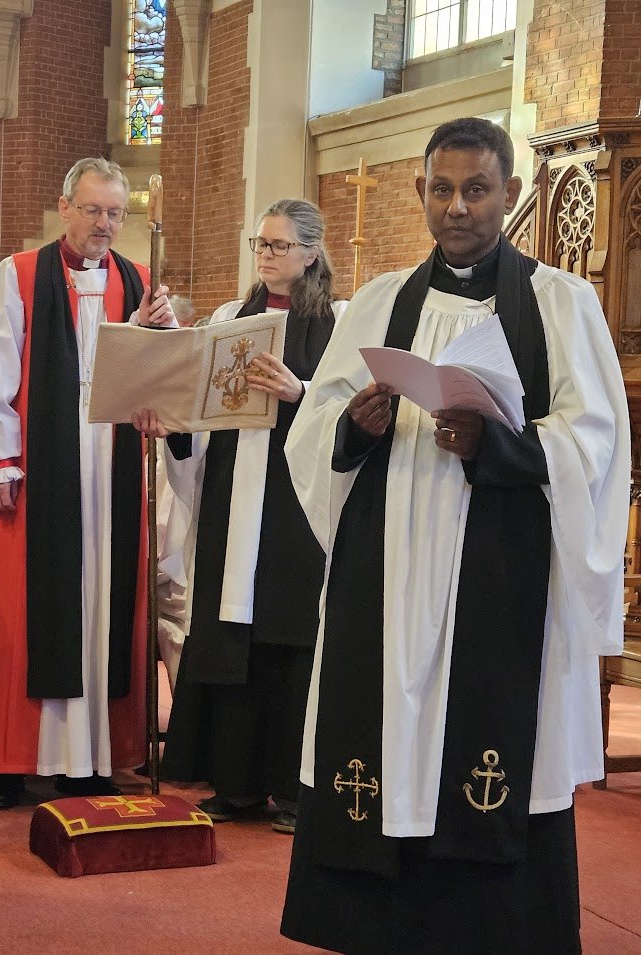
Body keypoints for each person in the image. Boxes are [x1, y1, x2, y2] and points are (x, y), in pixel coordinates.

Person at [280, 118, 630, 952]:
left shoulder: (560, 303)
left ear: (510, 193)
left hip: (500, 573)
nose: (458, 207)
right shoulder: (380, 302)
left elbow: (594, 441)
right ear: (422, 193)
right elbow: (312, 431)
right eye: (442, 189)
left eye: (476, 190)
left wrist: (496, 444)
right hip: (390, 576)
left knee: (487, 741)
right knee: (383, 727)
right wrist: (355, 427)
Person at [0, 157, 175, 809]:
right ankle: (12, 760)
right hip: (36, 460)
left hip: (111, 462)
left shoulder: (138, 280)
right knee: (23, 609)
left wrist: (161, 332)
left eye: (115, 213)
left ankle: (89, 759)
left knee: (102, 604)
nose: (104, 223)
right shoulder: (19, 273)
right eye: (93, 209)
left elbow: (160, 372)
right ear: (65, 207)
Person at [134, 198, 347, 834]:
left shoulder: (338, 323)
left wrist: (299, 392)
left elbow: (357, 411)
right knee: (233, 633)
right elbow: (200, 411)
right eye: (260, 243)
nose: (266, 254)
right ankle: (237, 785)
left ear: (311, 252)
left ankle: (296, 790)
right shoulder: (231, 318)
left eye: (279, 245)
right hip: (232, 493)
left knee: (292, 636)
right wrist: (175, 428)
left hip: (297, 503)